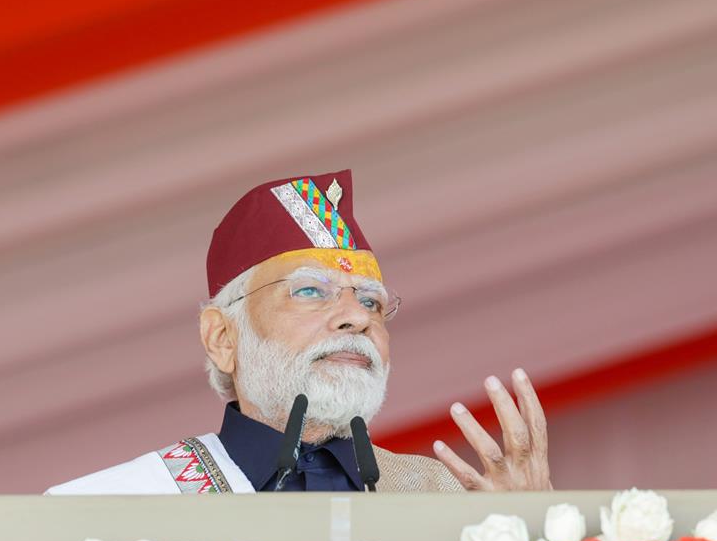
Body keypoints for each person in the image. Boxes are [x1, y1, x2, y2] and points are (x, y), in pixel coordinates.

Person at [48, 170, 551, 494]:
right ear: (223, 339)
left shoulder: (443, 497)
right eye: (311, 291)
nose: (357, 318)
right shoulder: (114, 507)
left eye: (372, 300)